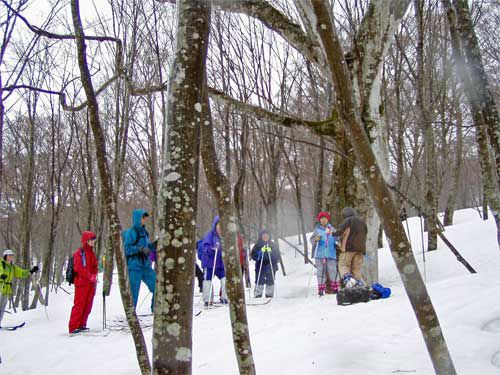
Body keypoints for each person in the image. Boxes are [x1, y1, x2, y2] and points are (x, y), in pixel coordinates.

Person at [123, 209, 156, 311]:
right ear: (137, 218)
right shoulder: (131, 232)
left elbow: (146, 247)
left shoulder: (145, 232)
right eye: (143, 217)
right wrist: (140, 249)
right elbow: (127, 248)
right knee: (134, 292)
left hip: (146, 266)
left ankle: (156, 308)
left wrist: (153, 245)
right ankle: (131, 314)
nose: (144, 219)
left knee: (157, 286)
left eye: (145, 217)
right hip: (134, 266)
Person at [68, 231, 98, 334]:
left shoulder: (91, 253)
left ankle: (82, 324)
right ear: (87, 241)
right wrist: (89, 276)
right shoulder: (79, 253)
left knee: (88, 305)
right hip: (81, 284)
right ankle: (73, 327)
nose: (94, 242)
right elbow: (78, 268)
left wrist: (94, 276)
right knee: (79, 305)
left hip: (90, 284)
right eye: (92, 240)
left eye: (94, 240)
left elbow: (95, 266)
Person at [0, 249, 38, 328]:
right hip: (1, 286)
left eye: (12, 256)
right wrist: (1, 275)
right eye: (9, 256)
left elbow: (21, 272)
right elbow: (1, 271)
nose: (11, 257)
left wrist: (31, 271)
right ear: (5, 256)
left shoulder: (12, 267)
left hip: (7, 289)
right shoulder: (1, 264)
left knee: (2, 308)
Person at [334, 207, 367, 288]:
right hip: (361, 250)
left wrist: (331, 233)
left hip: (349, 248)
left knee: (343, 265)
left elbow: (339, 231)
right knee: (356, 269)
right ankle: (359, 285)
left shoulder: (348, 221)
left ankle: (349, 280)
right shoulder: (362, 222)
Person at [310, 211, 339, 296]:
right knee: (320, 272)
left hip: (330, 254)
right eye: (322, 219)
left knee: (333, 271)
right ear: (319, 220)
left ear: (328, 219)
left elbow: (337, 238)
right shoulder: (317, 230)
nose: (323, 220)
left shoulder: (332, 229)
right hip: (320, 255)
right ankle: (321, 289)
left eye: (325, 218)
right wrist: (316, 239)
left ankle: (335, 288)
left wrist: (337, 240)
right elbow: (312, 240)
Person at [201, 216, 228, 306]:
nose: (220, 227)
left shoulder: (226, 236)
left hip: (220, 264)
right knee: (207, 281)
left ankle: (225, 297)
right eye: (219, 225)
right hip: (209, 264)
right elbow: (205, 248)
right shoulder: (209, 235)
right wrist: (212, 248)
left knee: (225, 280)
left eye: (222, 225)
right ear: (215, 225)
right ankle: (208, 299)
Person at [251, 230, 279, 298]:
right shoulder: (257, 245)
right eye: (264, 235)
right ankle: (258, 294)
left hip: (271, 265)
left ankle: (269, 294)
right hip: (260, 265)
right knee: (259, 279)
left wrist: (271, 252)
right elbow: (253, 255)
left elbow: (277, 256)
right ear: (261, 236)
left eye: (267, 235)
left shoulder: (273, 245)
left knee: (270, 279)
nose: (265, 237)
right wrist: (260, 253)